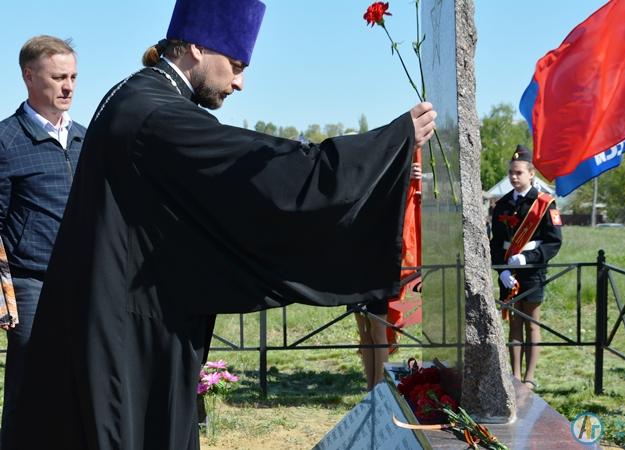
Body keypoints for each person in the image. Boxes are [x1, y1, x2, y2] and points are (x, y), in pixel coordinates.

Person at [11, 1, 437, 449]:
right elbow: (271, 175)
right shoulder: (154, 113)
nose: (239, 81)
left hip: (120, 321)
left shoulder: (137, 97)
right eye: (235, 64)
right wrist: (389, 142)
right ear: (196, 46)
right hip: (125, 341)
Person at [0, 35, 84, 447]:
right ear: (29, 77)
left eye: (72, 77)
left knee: (81, 376)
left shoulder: (89, 139)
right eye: (58, 77)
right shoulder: (5, 141)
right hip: (30, 282)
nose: (68, 86)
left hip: (85, 279)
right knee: (28, 379)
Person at [489, 145, 562, 390]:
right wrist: (502, 269)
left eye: (519, 172)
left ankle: (529, 378)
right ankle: (515, 376)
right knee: (514, 323)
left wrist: (529, 258)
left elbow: (554, 242)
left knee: (531, 322)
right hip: (509, 270)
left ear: (531, 174)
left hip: (532, 271)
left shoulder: (544, 204)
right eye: (511, 172)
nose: (513, 177)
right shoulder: (501, 205)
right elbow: (495, 243)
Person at [354, 159, 422, 391]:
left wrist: (410, 176)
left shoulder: (382, 185)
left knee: (377, 330)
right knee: (364, 333)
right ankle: (369, 387)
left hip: (377, 266)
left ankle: (379, 388)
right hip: (352, 266)